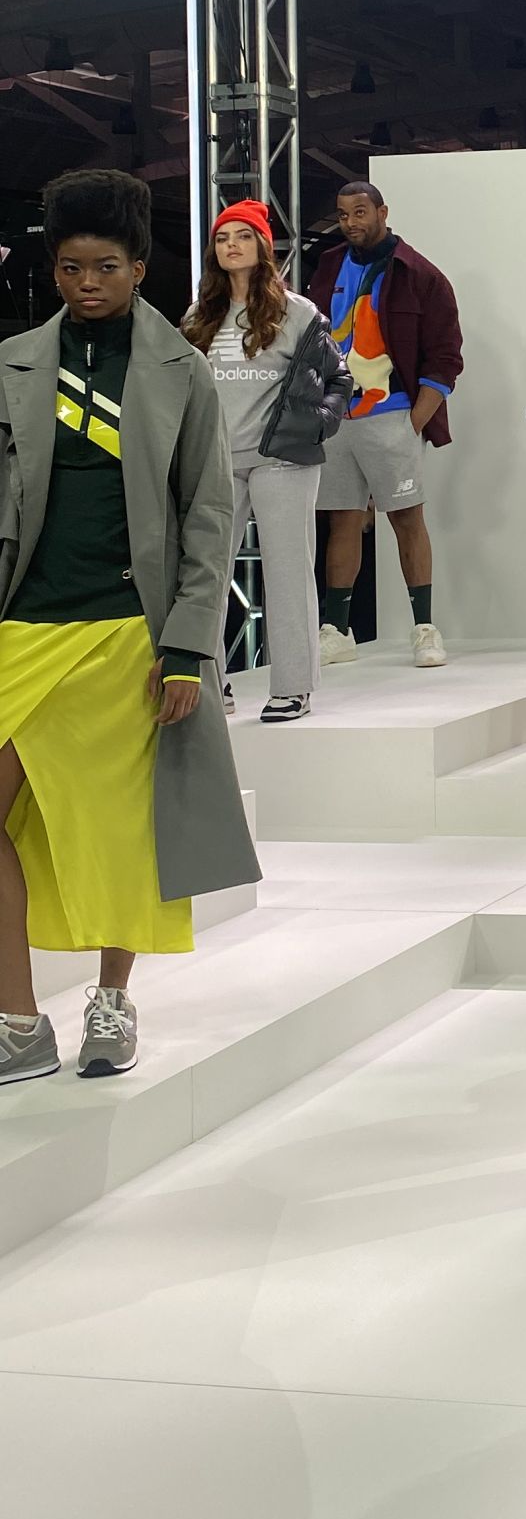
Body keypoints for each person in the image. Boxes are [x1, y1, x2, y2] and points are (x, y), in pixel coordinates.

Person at [0, 170, 257, 1086]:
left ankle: (111, 1001)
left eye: (106, 267)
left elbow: (208, 514)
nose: (87, 284)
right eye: (71, 267)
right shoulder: (13, 361)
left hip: (128, 632)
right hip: (24, 623)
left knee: (121, 825)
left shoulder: (181, 370)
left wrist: (188, 648)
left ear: (140, 268)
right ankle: (19, 1021)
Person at [184, 198, 350, 724]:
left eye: (242, 236)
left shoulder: (298, 313)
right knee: (206, 574)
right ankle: (212, 684)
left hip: (282, 459)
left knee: (288, 571)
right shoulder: (198, 316)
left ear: (261, 246)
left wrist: (317, 424)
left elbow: (339, 378)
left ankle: (293, 687)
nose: (231, 245)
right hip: (215, 461)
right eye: (222, 238)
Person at [309, 182, 463, 670]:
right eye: (343, 214)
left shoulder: (419, 273)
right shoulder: (329, 265)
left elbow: (446, 356)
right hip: (338, 415)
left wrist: (414, 420)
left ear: (382, 211)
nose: (351, 222)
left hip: (392, 413)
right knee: (342, 518)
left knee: (406, 517)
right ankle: (337, 630)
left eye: (360, 212)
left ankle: (425, 629)